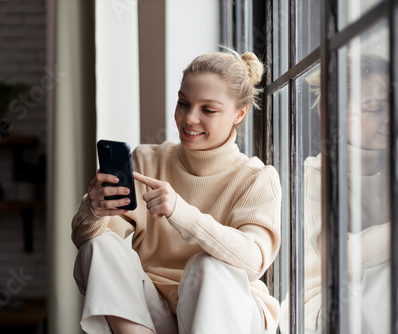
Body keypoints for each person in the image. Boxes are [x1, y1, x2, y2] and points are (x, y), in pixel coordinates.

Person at [72, 49, 282, 334]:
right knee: (100, 246)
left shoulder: (257, 178)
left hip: (230, 311)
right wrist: (93, 210)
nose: (189, 118)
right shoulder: (148, 161)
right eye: (183, 103)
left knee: (208, 266)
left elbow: (254, 261)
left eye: (208, 110)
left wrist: (181, 213)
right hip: (155, 312)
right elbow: (89, 248)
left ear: (239, 113)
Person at [279, 53, 391, 334]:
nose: (390, 117)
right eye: (374, 108)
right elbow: (342, 259)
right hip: (322, 302)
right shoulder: (316, 174)